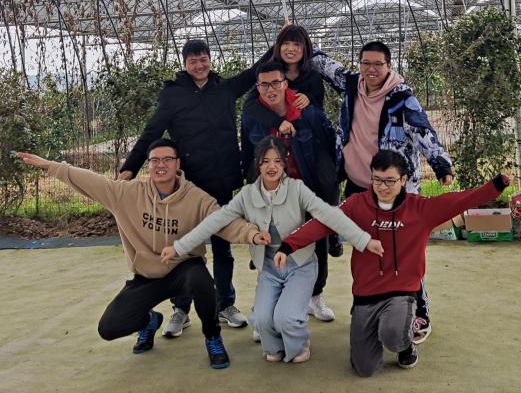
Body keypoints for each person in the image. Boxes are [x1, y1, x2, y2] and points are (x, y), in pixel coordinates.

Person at [16, 140, 268, 370]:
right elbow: (92, 181)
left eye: (167, 159)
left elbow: (223, 221)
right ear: (149, 165)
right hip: (146, 275)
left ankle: (212, 336)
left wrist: (252, 234)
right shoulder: (128, 193)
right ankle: (149, 321)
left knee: (203, 282)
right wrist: (51, 166)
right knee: (109, 327)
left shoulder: (196, 199)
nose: (161, 165)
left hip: (183, 269)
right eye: (155, 160)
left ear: (178, 164)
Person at [276, 149, 510, 376]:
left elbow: (460, 200)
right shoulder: (356, 205)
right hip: (366, 294)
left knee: (392, 334)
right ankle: (373, 331)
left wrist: (496, 185)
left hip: (402, 292)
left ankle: (404, 343)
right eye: (377, 180)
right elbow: (324, 222)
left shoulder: (420, 208)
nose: (382, 187)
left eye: (390, 181)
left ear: (403, 180)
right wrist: (289, 245)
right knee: (364, 368)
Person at [161, 136, 382, 363]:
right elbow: (214, 221)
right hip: (269, 268)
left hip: (301, 265)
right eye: (265, 161)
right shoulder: (247, 194)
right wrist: (179, 247)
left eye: (277, 161)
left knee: (286, 319)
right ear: (258, 164)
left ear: (285, 163)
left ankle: (299, 341)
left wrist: (364, 240)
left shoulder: (297, 188)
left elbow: (329, 214)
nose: (272, 166)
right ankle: (275, 343)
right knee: (263, 322)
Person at [118, 39, 268, 338]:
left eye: (203, 59)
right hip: (187, 187)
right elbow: (152, 131)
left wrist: (280, 42)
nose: (199, 65)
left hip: (222, 181)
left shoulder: (224, 89)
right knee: (181, 247)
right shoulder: (173, 94)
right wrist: (130, 166)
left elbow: (256, 71)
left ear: (210, 60)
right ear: (185, 64)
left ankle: (226, 304)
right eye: (193, 61)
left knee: (223, 248)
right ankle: (181, 309)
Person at [310, 39, 454, 342]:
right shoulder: (351, 85)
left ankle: (418, 311)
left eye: (378, 64)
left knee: (403, 252)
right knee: (365, 249)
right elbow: (324, 65)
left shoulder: (402, 98)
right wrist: (301, 42)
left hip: (393, 189)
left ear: (389, 66)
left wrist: (441, 165)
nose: (371, 69)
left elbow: (423, 130)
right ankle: (368, 305)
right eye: (366, 63)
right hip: (359, 185)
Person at [242, 31, 343, 322]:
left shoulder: (311, 83)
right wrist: (279, 121)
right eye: (285, 43)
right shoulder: (256, 105)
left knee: (316, 231)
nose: (290, 48)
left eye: (296, 44)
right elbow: (249, 117)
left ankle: (316, 293)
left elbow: (322, 124)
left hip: (305, 174)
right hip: (273, 185)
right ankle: (268, 303)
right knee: (272, 238)